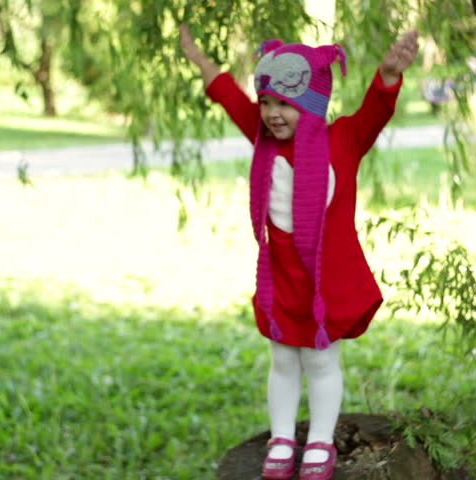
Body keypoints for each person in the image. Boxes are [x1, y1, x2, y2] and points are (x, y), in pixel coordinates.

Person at [180, 23, 419, 480]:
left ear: (310, 103)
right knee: (283, 359)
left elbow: (376, 111)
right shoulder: (264, 143)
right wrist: (202, 62)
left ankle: (320, 443)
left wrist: (388, 75)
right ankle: (283, 437)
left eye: (283, 103)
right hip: (282, 277)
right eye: (266, 102)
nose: (270, 113)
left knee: (320, 360)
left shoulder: (342, 141)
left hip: (325, 282)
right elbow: (230, 98)